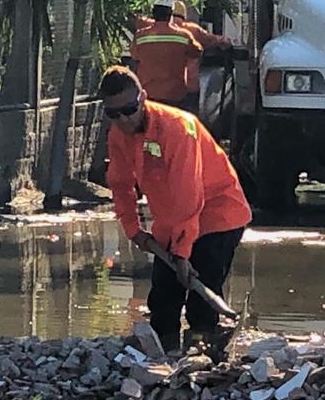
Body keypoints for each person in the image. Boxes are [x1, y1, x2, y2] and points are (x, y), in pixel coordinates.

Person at [100, 66, 251, 353]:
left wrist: (182, 254)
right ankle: (163, 352)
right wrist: (133, 229)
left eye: (129, 110)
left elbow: (188, 194)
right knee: (163, 297)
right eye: (113, 114)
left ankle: (201, 353)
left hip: (218, 214)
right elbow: (120, 185)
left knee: (200, 293)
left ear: (143, 98)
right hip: (172, 221)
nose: (123, 119)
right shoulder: (118, 135)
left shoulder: (178, 129)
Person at [130, 0, 202, 113]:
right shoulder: (184, 36)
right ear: (171, 13)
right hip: (175, 96)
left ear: (153, 12)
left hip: (149, 95)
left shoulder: (140, 36)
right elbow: (197, 51)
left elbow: (134, 55)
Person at [171, 0, 233, 115]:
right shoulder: (192, 30)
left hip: (164, 87)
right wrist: (225, 42)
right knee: (190, 122)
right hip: (189, 86)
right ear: (183, 15)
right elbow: (211, 39)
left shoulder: (160, 31)